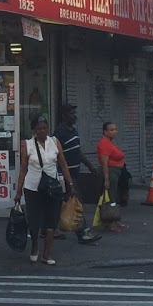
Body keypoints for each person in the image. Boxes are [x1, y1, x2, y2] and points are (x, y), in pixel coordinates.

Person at [19, 113, 73, 263]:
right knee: (34, 220)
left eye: (44, 128)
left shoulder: (54, 142)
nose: (42, 131)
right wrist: (18, 191)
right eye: (39, 129)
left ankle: (47, 253)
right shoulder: (28, 145)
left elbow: (63, 164)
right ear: (34, 130)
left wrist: (70, 184)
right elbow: (23, 169)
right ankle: (35, 246)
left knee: (51, 220)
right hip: (33, 187)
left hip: (52, 187)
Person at [53, 103, 100, 245]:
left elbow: (77, 151)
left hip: (75, 172)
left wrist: (90, 166)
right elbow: (55, 155)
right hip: (65, 174)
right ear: (64, 116)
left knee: (62, 202)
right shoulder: (59, 133)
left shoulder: (73, 131)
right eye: (71, 114)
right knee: (75, 202)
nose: (74, 116)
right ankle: (83, 232)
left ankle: (48, 228)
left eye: (75, 113)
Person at [96, 120, 129, 231]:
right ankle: (109, 222)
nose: (115, 131)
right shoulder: (104, 143)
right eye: (111, 130)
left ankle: (115, 220)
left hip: (116, 172)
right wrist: (106, 179)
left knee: (115, 196)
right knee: (111, 197)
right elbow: (105, 163)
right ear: (105, 132)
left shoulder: (110, 142)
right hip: (110, 173)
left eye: (115, 129)